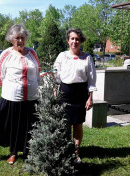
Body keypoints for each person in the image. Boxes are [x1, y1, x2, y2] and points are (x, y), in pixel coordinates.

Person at [0, 24, 42, 165]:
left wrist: (39, 84)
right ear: (11, 39)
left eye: (22, 37)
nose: (20, 41)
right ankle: (13, 152)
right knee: (14, 126)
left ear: (26, 38)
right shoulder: (6, 54)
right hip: (13, 97)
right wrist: (9, 90)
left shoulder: (32, 53)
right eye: (17, 38)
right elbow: (0, 76)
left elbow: (37, 71)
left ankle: (28, 152)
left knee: (30, 126)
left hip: (32, 96)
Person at [53, 28, 97, 164]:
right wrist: (55, 89)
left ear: (81, 41)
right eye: (72, 38)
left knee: (77, 125)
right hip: (64, 92)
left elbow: (91, 79)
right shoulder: (62, 56)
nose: (74, 41)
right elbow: (56, 74)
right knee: (65, 125)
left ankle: (76, 153)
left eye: (77, 39)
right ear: (68, 40)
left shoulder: (87, 57)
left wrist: (90, 98)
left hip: (80, 94)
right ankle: (65, 152)